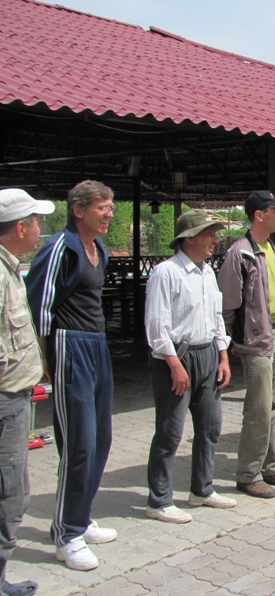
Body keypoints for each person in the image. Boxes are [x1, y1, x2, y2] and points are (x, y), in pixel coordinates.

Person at [26, 180, 117, 571]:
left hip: (97, 344)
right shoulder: (59, 248)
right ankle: (66, 535)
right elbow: (39, 306)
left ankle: (79, 515)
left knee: (100, 439)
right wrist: (44, 360)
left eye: (111, 207)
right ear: (78, 210)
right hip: (69, 344)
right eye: (102, 207)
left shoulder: (100, 250)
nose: (109, 213)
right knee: (79, 441)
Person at [144, 210, 235, 523]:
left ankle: (202, 489)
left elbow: (216, 317)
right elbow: (156, 323)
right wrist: (173, 363)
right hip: (177, 358)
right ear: (190, 237)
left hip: (207, 354)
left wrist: (222, 355)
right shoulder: (166, 273)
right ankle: (159, 500)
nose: (215, 240)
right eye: (209, 233)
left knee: (210, 427)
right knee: (170, 432)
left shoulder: (208, 273)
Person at [217, 190, 275, 500]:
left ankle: (271, 467)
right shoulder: (240, 252)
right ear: (259, 215)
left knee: (274, 407)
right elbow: (228, 304)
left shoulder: (270, 249)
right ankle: (248, 475)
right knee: (258, 409)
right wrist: (235, 339)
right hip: (256, 341)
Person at [0, 188, 54, 595]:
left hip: (15, 399)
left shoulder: (10, 268)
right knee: (9, 492)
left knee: (12, 489)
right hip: (6, 401)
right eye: (37, 223)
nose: (40, 230)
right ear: (21, 227)